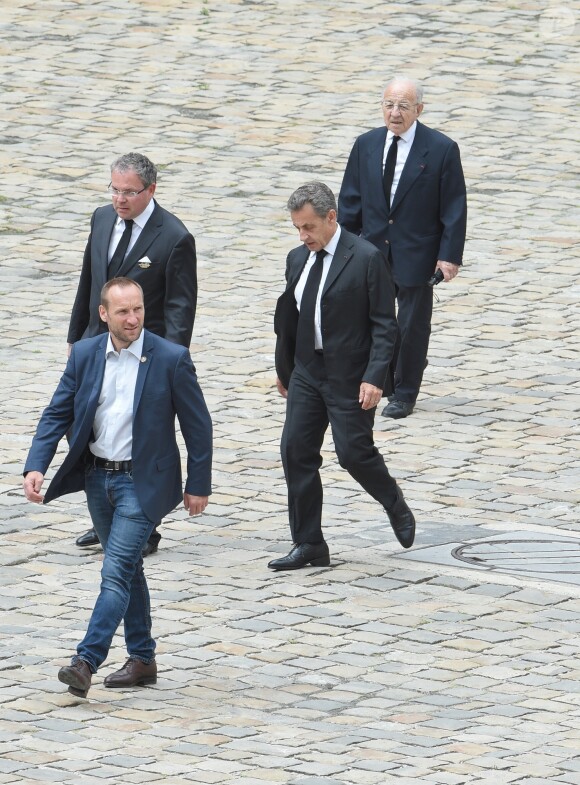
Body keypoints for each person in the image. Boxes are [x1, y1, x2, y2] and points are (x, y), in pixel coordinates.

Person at [23, 278, 212, 699]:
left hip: (144, 483)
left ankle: (85, 661)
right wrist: (36, 465)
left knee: (114, 570)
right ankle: (143, 657)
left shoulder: (170, 358)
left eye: (138, 310)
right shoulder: (87, 354)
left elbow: (199, 428)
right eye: (123, 312)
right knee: (128, 570)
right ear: (103, 314)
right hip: (97, 478)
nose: (133, 319)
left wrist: (198, 484)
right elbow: (56, 412)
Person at [269, 182, 415, 572]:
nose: (303, 236)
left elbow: (385, 325)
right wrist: (285, 369)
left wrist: (375, 377)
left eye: (309, 227)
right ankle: (309, 543)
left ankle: (393, 501)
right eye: (297, 228)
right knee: (295, 452)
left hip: (350, 376)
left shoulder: (366, 258)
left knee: (353, 453)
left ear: (331, 218)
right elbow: (290, 318)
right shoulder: (297, 259)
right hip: (306, 372)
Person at [68, 152, 197, 554]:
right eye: (115, 190)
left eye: (129, 193)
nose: (119, 199)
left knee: (138, 437)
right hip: (98, 345)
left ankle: (142, 525)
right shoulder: (102, 218)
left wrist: (170, 361)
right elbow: (90, 281)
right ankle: (106, 513)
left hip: (143, 353)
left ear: (150, 190)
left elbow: (180, 308)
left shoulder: (174, 236)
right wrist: (77, 337)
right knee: (89, 427)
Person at [338, 77, 467, 419]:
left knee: (411, 326)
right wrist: (343, 247)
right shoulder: (365, 144)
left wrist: (449, 256)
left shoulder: (440, 149)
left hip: (417, 252)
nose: (394, 113)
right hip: (372, 250)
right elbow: (350, 200)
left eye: (403, 107)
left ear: (419, 110)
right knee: (371, 320)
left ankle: (405, 392)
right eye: (389, 105)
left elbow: (454, 206)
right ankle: (382, 384)